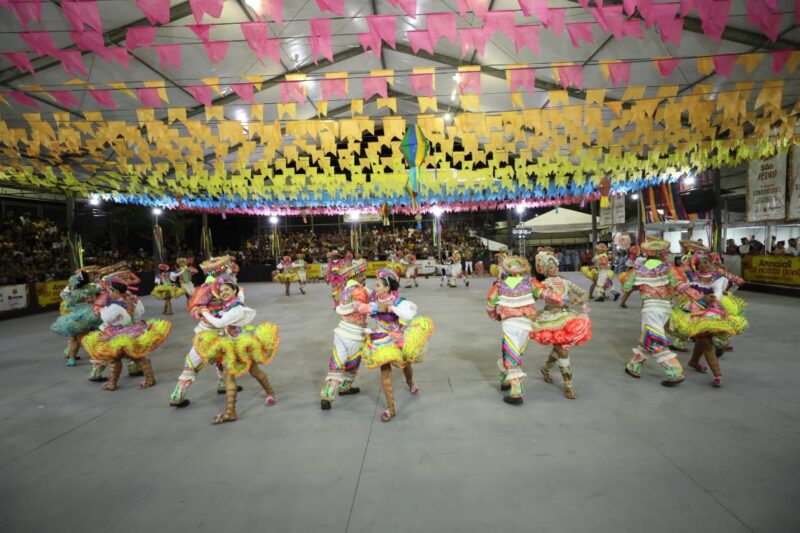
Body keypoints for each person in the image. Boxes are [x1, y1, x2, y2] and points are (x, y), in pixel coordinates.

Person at [190, 276, 280, 424]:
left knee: (253, 371)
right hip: (230, 343)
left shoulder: (236, 308)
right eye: (221, 290)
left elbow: (219, 323)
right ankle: (231, 412)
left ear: (234, 290)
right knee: (229, 375)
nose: (223, 292)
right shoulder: (229, 304)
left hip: (241, 344)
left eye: (227, 289)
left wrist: (205, 312)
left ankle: (269, 393)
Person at [622, 239, 703, 387]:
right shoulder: (669, 268)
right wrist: (699, 298)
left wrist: (639, 283)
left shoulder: (638, 269)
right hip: (666, 308)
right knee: (649, 336)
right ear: (663, 254)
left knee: (655, 341)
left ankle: (674, 372)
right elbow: (679, 286)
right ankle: (633, 366)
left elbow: (626, 287)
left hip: (650, 308)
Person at [485, 256, 564, 405]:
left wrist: (495, 315)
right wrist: (562, 299)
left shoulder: (499, 285)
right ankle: (504, 380)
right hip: (527, 324)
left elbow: (490, 304)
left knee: (511, 354)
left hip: (510, 323)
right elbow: (545, 293)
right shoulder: (530, 282)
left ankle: (516, 393)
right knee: (514, 352)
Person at [669, 243, 748, 388]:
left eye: (707, 261)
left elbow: (719, 292)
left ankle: (695, 361)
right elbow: (679, 287)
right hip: (692, 312)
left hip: (710, 311)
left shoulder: (718, 276)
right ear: (696, 264)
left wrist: (714, 297)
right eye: (702, 262)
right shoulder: (689, 275)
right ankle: (718, 375)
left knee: (704, 340)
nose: (705, 265)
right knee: (706, 342)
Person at [360, 268, 434, 422]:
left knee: (405, 364)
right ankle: (391, 408)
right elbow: (362, 306)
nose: (375, 288)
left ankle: (410, 382)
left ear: (387, 288)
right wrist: (373, 307)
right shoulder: (374, 297)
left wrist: (392, 307)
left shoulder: (397, 300)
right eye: (375, 285)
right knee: (385, 373)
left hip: (396, 337)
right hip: (380, 339)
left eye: (378, 285)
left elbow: (411, 312)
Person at [169, 255, 242, 408]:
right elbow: (196, 308)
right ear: (219, 271)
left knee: (225, 357)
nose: (230, 269)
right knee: (194, 361)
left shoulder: (228, 285)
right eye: (227, 268)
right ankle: (177, 394)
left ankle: (224, 383)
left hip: (226, 329)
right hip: (209, 331)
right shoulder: (207, 288)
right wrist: (204, 312)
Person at [81, 278, 172, 391]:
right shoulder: (134, 300)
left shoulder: (114, 307)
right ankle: (117, 383)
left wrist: (101, 308)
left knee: (121, 359)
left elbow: (105, 319)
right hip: (134, 331)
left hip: (119, 336)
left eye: (110, 291)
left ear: (116, 292)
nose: (108, 294)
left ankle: (145, 380)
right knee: (132, 357)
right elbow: (140, 313)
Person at [531, 251, 592, 400]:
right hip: (551, 319)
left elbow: (583, 293)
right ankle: (568, 386)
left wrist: (578, 301)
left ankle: (545, 369)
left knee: (559, 348)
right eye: (550, 268)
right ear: (544, 270)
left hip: (566, 317)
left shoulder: (566, 282)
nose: (554, 269)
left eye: (555, 266)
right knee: (563, 351)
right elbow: (535, 296)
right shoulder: (544, 284)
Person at [320, 260, 369, 411]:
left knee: (336, 364)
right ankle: (345, 387)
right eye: (363, 273)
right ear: (359, 274)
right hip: (354, 333)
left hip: (340, 331)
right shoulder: (360, 290)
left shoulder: (344, 290)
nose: (365, 276)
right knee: (352, 364)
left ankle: (327, 396)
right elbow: (365, 308)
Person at [50, 267, 103, 367]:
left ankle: (71, 359)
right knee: (83, 339)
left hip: (72, 317)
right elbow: (100, 288)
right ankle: (94, 355)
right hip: (86, 316)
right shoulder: (88, 290)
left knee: (74, 339)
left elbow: (65, 297)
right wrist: (97, 281)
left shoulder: (68, 293)